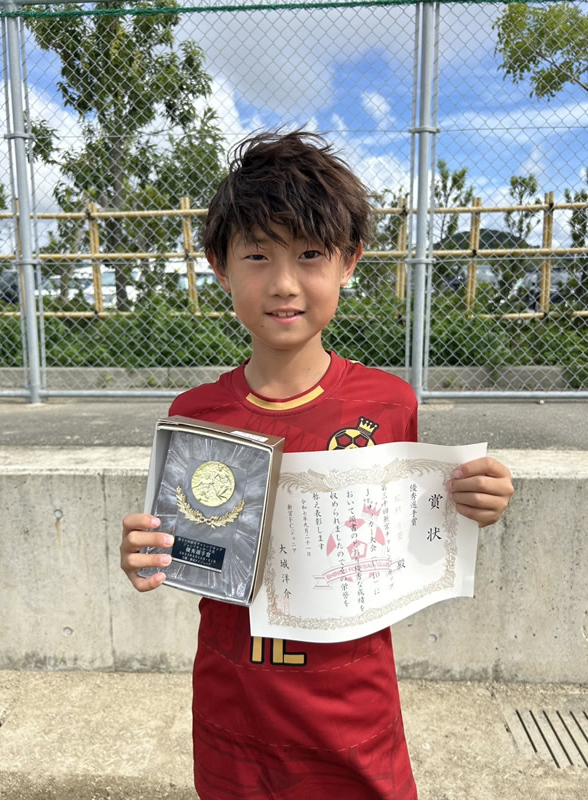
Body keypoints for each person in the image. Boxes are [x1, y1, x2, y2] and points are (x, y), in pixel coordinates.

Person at [120, 130, 514, 800]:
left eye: (309, 255)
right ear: (220, 266)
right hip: (233, 708)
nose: (283, 283)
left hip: (353, 709)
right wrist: (146, 554)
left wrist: (478, 502)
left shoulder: (389, 404)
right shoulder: (195, 415)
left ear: (348, 261)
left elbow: (416, 532)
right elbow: (186, 547)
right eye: (256, 255)